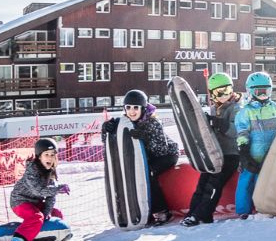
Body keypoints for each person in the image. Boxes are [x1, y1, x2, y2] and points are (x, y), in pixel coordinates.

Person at [101, 89, 177, 224]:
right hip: (144, 158)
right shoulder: (124, 123)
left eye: (136, 107)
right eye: (128, 107)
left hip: (166, 155)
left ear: (143, 108)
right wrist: (106, 130)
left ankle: (161, 211)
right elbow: (111, 144)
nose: (132, 111)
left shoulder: (152, 122)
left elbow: (162, 149)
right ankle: (140, 211)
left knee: (148, 173)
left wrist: (146, 139)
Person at [183, 73, 242, 226]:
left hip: (231, 154)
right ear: (212, 94)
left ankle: (201, 214)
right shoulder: (213, 109)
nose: (224, 96)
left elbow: (236, 131)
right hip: (214, 154)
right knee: (202, 182)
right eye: (219, 93)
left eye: (227, 91)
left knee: (214, 184)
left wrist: (217, 123)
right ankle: (192, 212)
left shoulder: (236, 108)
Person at [232, 71, 276, 218]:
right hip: (253, 154)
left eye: (266, 91)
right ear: (250, 91)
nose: (263, 94)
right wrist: (244, 151)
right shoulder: (245, 112)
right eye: (259, 91)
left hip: (271, 152)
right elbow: (242, 132)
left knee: (268, 180)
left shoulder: (274, 108)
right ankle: (243, 210)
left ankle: (266, 207)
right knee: (247, 181)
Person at [6, 137, 69, 241]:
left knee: (56, 213)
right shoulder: (32, 170)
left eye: (52, 154)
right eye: (47, 155)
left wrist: (47, 212)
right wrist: (57, 189)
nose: (50, 158)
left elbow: (51, 197)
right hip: (20, 202)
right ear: (39, 156)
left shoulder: (51, 172)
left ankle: (55, 233)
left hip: (35, 202)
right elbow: (38, 191)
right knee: (36, 217)